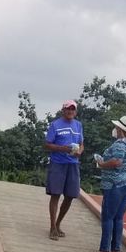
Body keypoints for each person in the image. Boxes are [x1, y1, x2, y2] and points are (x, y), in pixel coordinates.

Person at [88, 116, 126, 252]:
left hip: (115, 184)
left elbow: (116, 162)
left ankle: (104, 251)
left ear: (120, 129)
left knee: (108, 217)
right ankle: (116, 251)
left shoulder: (119, 144)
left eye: (116, 127)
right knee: (119, 217)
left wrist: (101, 164)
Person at [44, 100, 84, 241]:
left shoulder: (78, 125)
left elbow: (81, 143)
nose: (70, 111)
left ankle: (58, 223)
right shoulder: (55, 125)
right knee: (55, 195)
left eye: (73, 109)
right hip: (58, 163)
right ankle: (52, 227)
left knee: (70, 196)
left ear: (76, 112)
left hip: (73, 164)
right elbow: (47, 144)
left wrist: (80, 151)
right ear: (63, 110)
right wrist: (63, 149)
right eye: (68, 109)